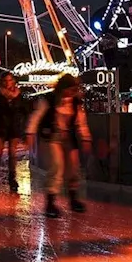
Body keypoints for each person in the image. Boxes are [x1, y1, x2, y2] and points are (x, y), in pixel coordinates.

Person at [26, 74, 91, 218]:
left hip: (68, 138)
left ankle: (73, 199)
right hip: (52, 137)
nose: (72, 92)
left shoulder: (75, 102)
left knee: (73, 167)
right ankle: (50, 203)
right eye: (71, 89)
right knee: (57, 166)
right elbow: (36, 116)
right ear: (64, 87)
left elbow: (81, 122)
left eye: (74, 89)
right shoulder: (49, 99)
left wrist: (86, 138)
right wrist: (30, 133)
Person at [0, 72, 30, 192]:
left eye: (10, 80)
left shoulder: (19, 94)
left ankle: (12, 178)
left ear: (13, 81)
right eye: (5, 80)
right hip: (1, 125)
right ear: (1, 82)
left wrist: (24, 125)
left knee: (12, 153)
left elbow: (24, 110)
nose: (7, 83)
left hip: (14, 125)